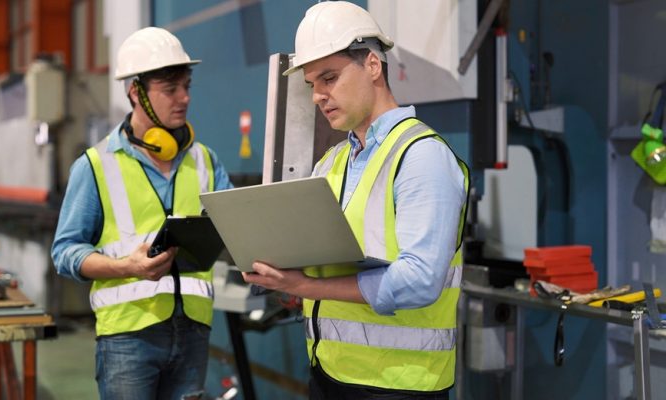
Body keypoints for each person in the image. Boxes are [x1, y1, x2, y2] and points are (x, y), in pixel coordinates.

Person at [242, 2, 470, 399]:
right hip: (330, 373)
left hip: (400, 384)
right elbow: (325, 262)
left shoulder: (421, 156)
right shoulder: (333, 162)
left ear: (372, 65)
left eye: (329, 78)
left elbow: (419, 282)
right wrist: (286, 280)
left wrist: (309, 287)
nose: (318, 96)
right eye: (313, 84)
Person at [51, 27, 232, 400]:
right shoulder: (97, 165)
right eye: (170, 90)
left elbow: (237, 229)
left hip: (194, 330)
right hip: (127, 338)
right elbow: (65, 252)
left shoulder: (205, 161)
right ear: (136, 93)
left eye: (187, 86)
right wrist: (126, 267)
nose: (184, 98)